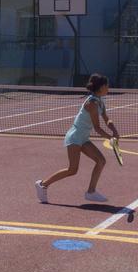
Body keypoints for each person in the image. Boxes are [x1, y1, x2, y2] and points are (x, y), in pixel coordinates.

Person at [35, 73, 119, 204]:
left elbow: (107, 118)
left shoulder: (100, 101)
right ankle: (43, 184)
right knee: (72, 170)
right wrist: (110, 138)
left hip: (83, 138)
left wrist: (114, 130)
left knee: (101, 161)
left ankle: (91, 192)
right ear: (101, 87)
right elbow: (97, 128)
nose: (109, 88)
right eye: (107, 86)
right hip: (75, 137)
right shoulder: (92, 103)